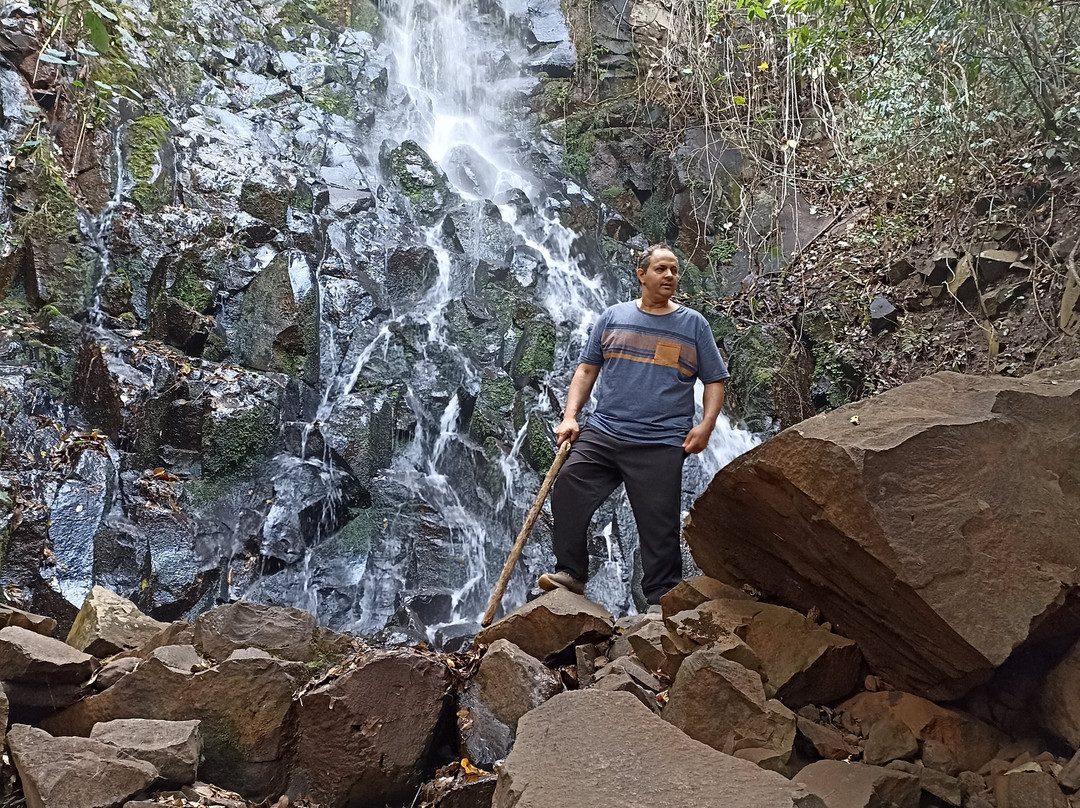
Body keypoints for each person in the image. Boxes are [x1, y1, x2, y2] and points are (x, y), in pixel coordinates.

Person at [538, 244, 729, 614]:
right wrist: (570, 416)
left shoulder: (693, 325)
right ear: (642, 275)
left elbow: (715, 380)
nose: (670, 276)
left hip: (660, 440)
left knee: (658, 525)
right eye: (661, 269)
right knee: (568, 489)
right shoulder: (612, 317)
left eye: (674, 270)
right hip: (605, 431)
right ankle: (571, 573)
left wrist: (706, 425)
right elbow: (586, 370)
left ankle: (660, 599)